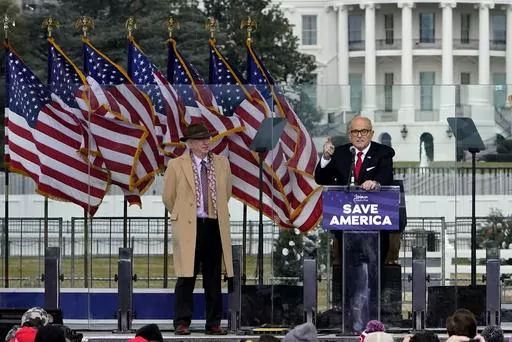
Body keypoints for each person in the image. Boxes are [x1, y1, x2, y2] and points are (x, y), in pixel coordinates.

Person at [314, 116, 395, 333]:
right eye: (355, 132)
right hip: (347, 232)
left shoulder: (383, 153)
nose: (359, 135)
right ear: (350, 134)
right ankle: (351, 323)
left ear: (371, 133)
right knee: (350, 279)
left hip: (375, 231)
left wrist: (376, 183)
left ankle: (374, 324)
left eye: (364, 131)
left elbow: (387, 176)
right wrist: (326, 157)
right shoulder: (341, 153)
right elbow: (320, 178)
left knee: (372, 279)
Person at [162, 122, 233, 336]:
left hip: (213, 225)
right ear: (190, 143)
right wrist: (184, 213)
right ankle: (182, 321)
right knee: (186, 276)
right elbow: (169, 197)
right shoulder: (176, 165)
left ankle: (213, 323)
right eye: (201, 139)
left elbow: (226, 193)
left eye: (207, 138)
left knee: (213, 277)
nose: (206, 142)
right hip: (188, 226)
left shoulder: (222, 164)